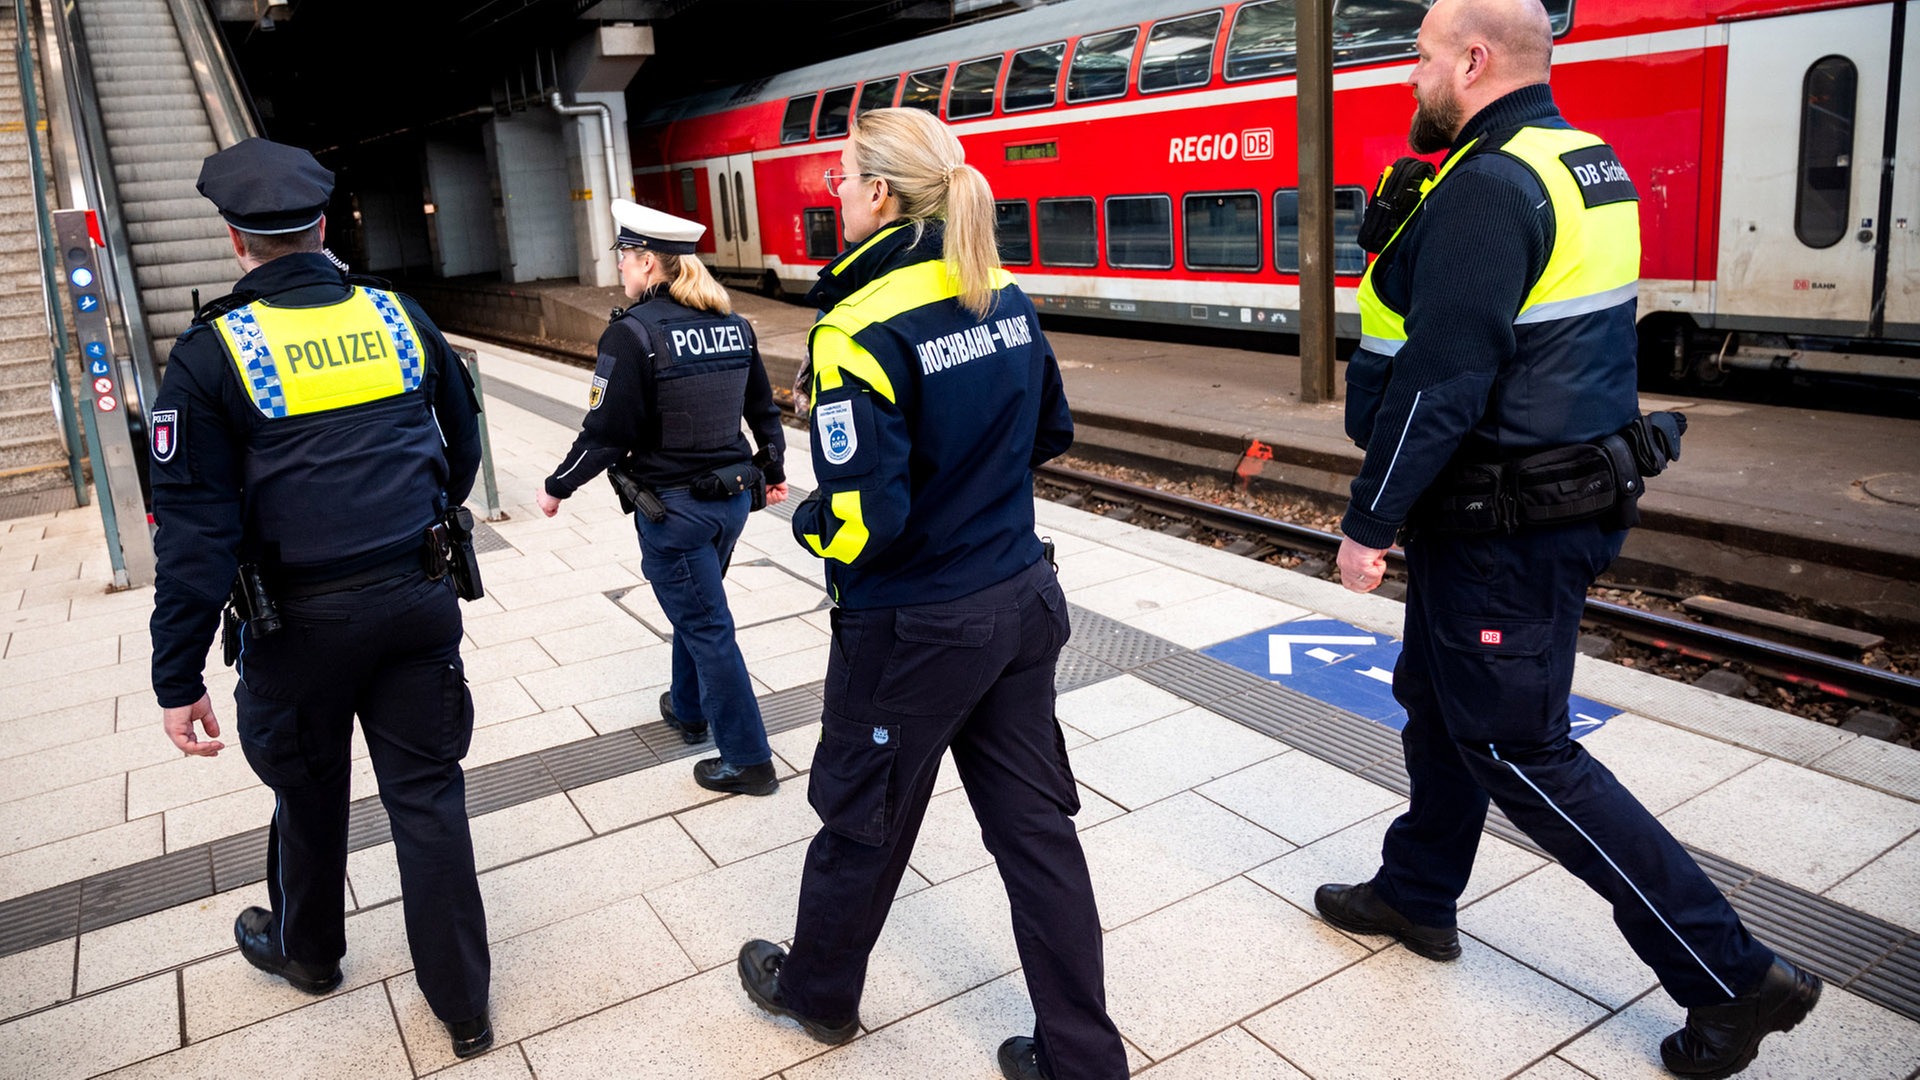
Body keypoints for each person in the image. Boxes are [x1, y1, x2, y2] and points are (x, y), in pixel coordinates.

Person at [1318, 2, 1820, 1077]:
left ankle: (1731, 976)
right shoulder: (1583, 161)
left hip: (1505, 519)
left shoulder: (1490, 188)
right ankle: (1417, 892)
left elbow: (1445, 383)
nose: (1411, 75)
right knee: (1439, 703)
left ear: (1471, 58)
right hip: (1549, 500)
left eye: (1418, 56)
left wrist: (1369, 521)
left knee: (1518, 747)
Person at [735, 107, 1126, 1080]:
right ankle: (1083, 1055)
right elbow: (1051, 436)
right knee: (1038, 836)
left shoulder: (856, 326)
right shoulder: (1000, 288)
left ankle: (818, 995)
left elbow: (868, 516)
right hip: (1021, 602)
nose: (833, 193)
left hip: (913, 627)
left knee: (862, 815)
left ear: (879, 195)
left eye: (840, 178)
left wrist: (806, 523)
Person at [149, 137, 493, 1058]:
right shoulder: (396, 317)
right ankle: (464, 1007)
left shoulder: (211, 357)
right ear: (326, 226)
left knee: (307, 793)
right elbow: (462, 448)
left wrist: (176, 674)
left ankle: (310, 953)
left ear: (235, 240)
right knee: (428, 796)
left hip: (295, 625)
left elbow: (195, 537)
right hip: (419, 598)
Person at [536, 200, 788, 795]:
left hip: (673, 512)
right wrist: (772, 468)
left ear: (647, 262)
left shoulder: (633, 334)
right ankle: (688, 707)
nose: (620, 268)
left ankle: (749, 760)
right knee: (697, 609)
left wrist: (557, 486)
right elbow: (762, 409)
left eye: (624, 257)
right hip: (730, 504)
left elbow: (604, 433)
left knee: (706, 626)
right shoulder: (733, 324)